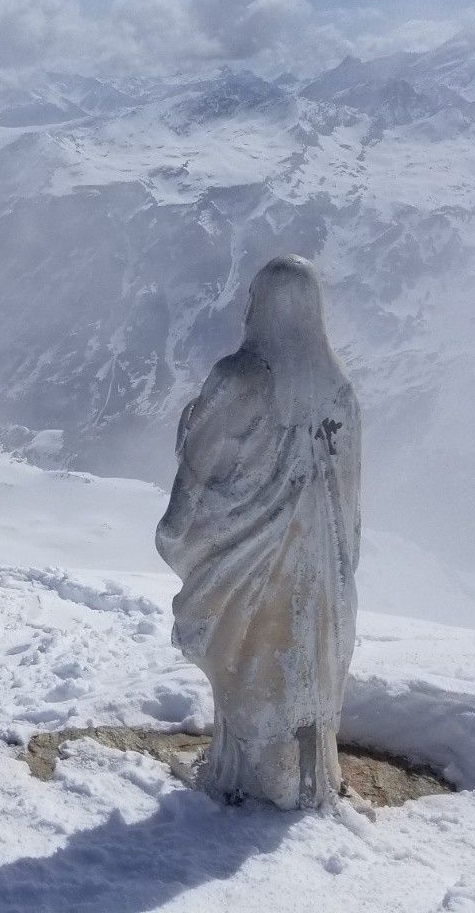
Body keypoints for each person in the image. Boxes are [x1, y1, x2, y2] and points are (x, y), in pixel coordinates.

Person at [155, 255, 361, 809]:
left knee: (249, 658)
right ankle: (305, 779)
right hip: (319, 573)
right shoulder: (338, 387)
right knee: (298, 664)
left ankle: (246, 779)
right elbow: (348, 493)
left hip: (246, 562)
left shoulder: (238, 377)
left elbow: (200, 466)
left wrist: (177, 527)